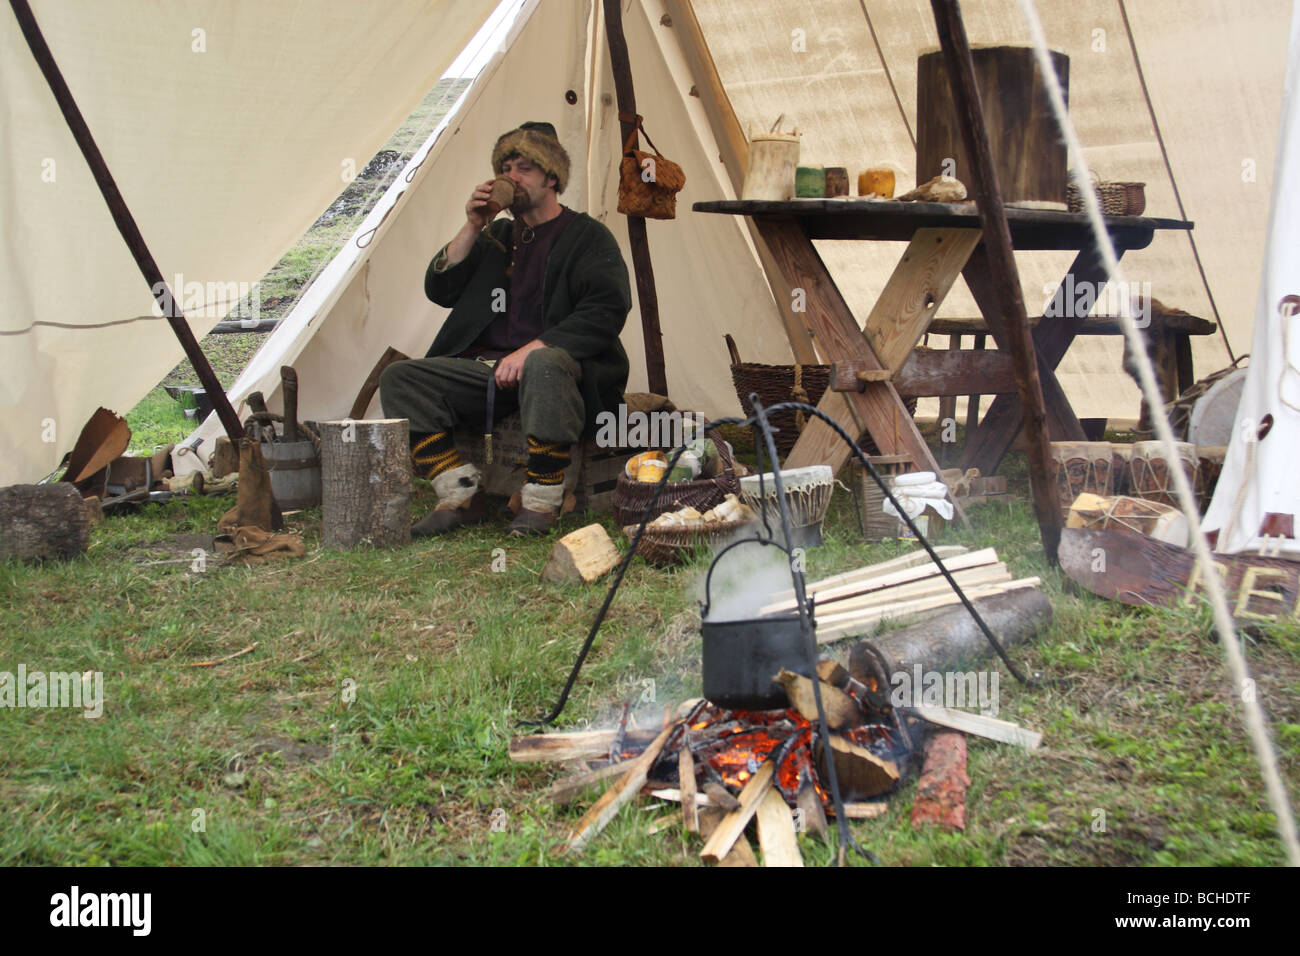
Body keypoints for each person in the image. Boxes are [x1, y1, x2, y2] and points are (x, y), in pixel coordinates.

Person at [381, 121, 632, 537]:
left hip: (563, 372)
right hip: (488, 371)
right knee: (401, 379)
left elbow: (607, 309)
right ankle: (461, 494)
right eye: (506, 167)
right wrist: (473, 226)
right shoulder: (496, 234)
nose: (510, 178)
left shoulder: (587, 236)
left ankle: (542, 501)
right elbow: (441, 289)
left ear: (552, 178)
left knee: (545, 362)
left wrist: (533, 347)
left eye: (524, 168)